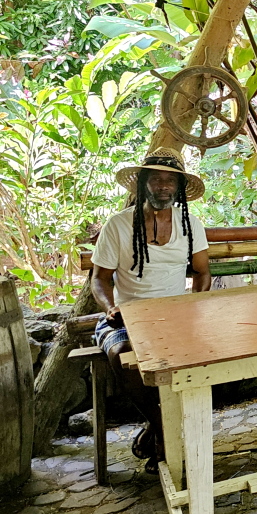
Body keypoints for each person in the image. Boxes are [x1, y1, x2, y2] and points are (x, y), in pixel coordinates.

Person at [91, 148, 211, 472]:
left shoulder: (191, 225)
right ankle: (163, 434)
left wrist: (194, 304)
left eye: (170, 180)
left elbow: (202, 273)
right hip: (128, 316)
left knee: (209, 352)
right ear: (143, 183)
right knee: (124, 356)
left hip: (175, 316)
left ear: (179, 187)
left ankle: (156, 433)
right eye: (156, 178)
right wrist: (109, 307)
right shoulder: (118, 226)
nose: (162, 186)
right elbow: (99, 279)